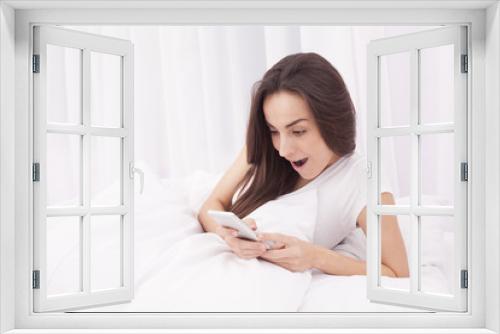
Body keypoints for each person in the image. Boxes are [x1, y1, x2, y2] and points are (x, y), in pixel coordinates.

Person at [197, 52, 409, 278]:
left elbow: (397, 272)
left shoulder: (362, 178)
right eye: (274, 131)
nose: (283, 150)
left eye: (298, 131)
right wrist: (227, 236)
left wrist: (315, 257)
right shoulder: (265, 149)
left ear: (333, 123)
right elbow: (212, 204)